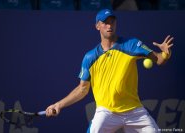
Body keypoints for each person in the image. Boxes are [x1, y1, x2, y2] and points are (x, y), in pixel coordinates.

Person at [45, 9, 173, 133]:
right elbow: (82, 89)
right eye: (105, 22)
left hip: (134, 111)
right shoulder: (90, 57)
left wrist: (165, 54)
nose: (109, 25)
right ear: (97, 26)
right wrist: (58, 105)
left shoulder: (132, 44)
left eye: (112, 21)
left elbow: (159, 59)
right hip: (106, 112)